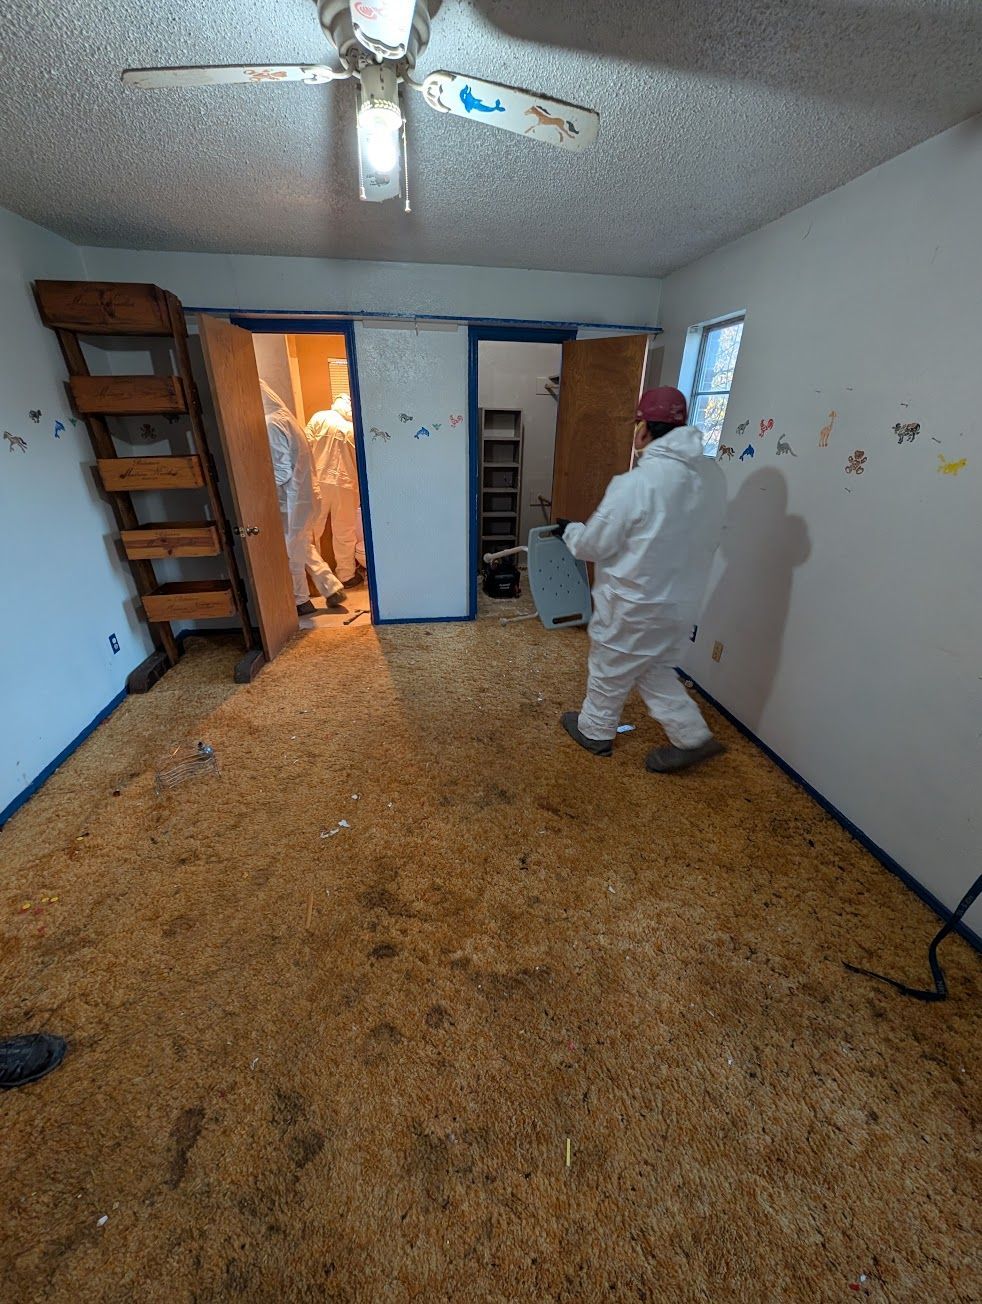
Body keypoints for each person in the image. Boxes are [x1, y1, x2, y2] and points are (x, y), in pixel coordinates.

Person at [558, 386, 728, 772]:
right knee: (655, 668)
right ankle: (693, 736)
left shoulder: (637, 484)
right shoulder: (711, 477)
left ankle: (594, 731)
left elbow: (593, 545)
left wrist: (571, 531)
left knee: (610, 667)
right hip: (681, 604)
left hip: (634, 603)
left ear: (644, 429)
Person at [260, 381, 345, 616]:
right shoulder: (287, 418)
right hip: (307, 494)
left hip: (291, 500)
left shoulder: (271, 423)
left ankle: (300, 601)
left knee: (291, 550)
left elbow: (281, 472)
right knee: (302, 544)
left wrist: (257, 490)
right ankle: (332, 587)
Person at [305, 394, 367, 589]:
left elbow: (305, 445)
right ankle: (346, 575)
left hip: (317, 481)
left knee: (311, 530)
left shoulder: (320, 417)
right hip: (346, 485)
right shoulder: (355, 427)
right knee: (344, 532)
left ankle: (314, 578)